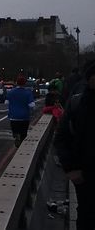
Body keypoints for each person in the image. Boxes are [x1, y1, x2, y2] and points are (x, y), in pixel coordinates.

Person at [55, 61, 95, 230]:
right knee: (86, 215)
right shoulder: (78, 103)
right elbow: (61, 137)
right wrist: (70, 168)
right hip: (85, 172)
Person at [5, 75, 35, 147]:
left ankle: (16, 135)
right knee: (24, 133)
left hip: (13, 116)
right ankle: (21, 142)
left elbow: (6, 102)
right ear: (24, 83)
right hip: (24, 117)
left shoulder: (11, 92)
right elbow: (32, 105)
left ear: (16, 83)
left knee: (15, 130)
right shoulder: (28, 92)